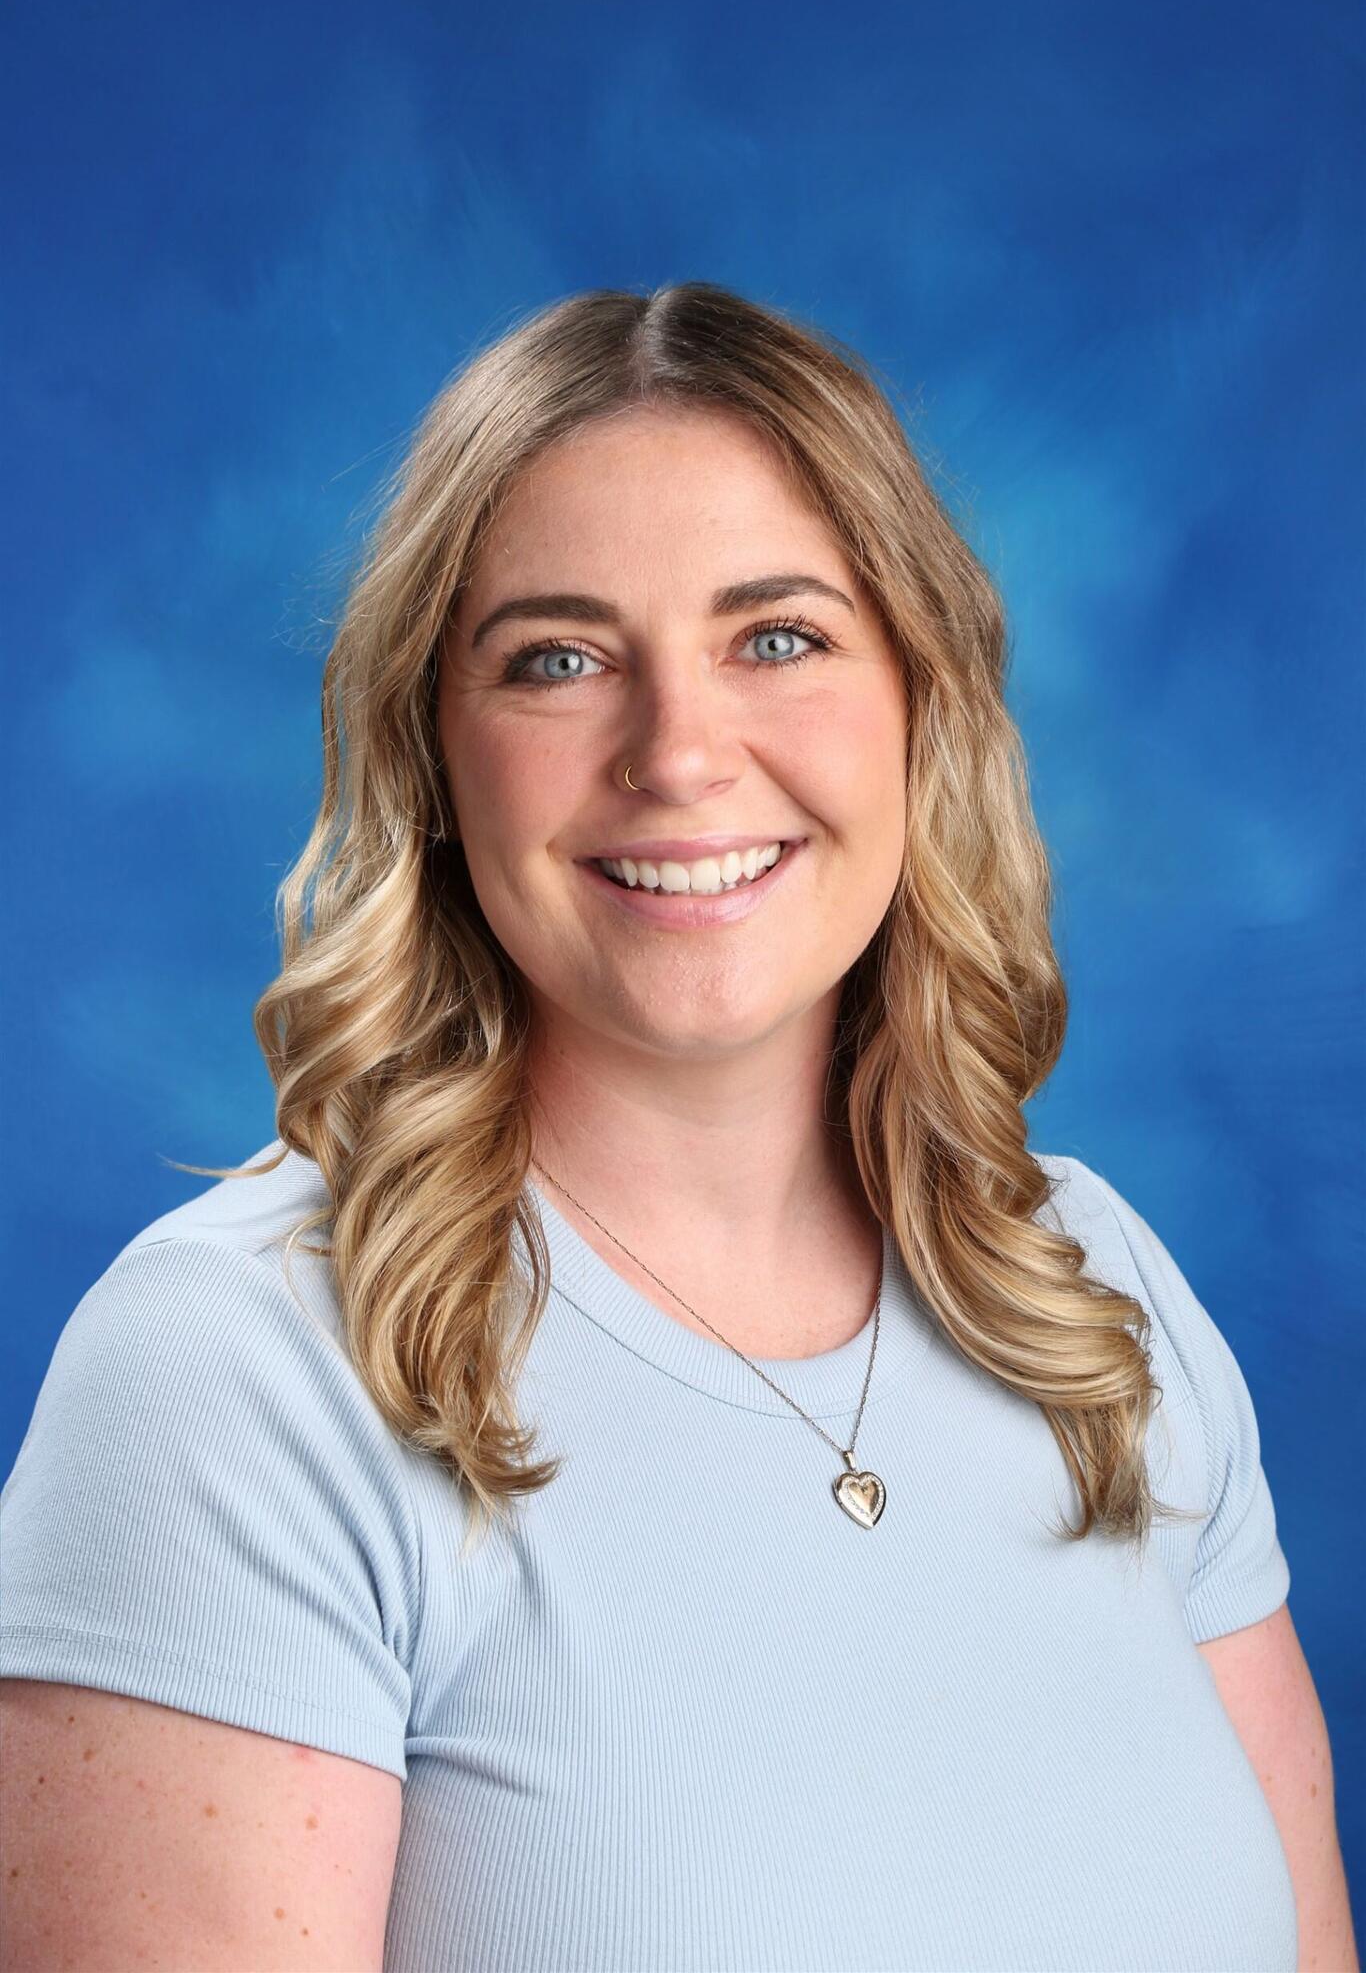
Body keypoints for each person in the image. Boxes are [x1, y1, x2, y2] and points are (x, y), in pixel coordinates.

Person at [1, 283, 1355, 1973]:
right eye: (557, 660)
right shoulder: (241, 1374)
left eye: (775, 636)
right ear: (435, 752)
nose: (680, 754)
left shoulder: (1092, 1293)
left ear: (920, 700)